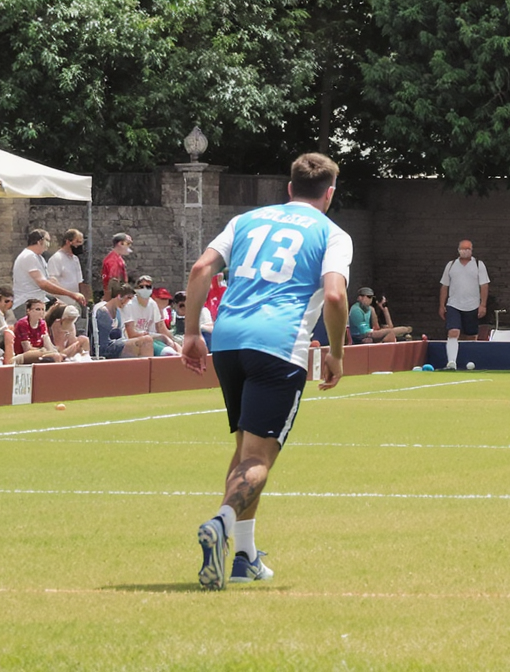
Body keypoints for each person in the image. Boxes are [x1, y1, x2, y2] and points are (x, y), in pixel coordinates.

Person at [181, 152, 351, 591]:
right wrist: (336, 353)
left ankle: (244, 558)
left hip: (228, 340)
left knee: (243, 450)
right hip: (278, 345)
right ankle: (221, 522)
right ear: (329, 193)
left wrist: (191, 334)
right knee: (259, 457)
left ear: (289, 188)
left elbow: (201, 269)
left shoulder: (246, 221)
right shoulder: (333, 234)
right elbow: (334, 297)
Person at [438, 240, 490, 369]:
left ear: (472, 250)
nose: (465, 251)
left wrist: (483, 304)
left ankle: (469, 362)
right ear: (458, 250)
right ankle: (451, 362)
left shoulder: (478, 265)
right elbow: (444, 286)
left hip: (472, 305)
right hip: (453, 304)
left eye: (468, 249)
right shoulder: (451, 265)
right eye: (462, 248)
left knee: (471, 335)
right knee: (453, 331)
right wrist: (442, 304)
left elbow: (484, 285)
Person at [12, 228, 83, 315]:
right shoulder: (29, 256)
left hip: (38, 303)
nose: (48, 244)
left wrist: (65, 299)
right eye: (47, 240)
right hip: (26, 304)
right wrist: (71, 294)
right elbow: (43, 284)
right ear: (39, 241)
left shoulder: (40, 258)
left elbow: (50, 280)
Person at [93, 284, 154, 359]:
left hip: (116, 344)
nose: (128, 302)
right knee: (146, 341)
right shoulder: (103, 312)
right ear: (119, 296)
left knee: (147, 340)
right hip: (106, 349)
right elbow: (103, 343)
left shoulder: (118, 312)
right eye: (128, 298)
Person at [129, 275, 180, 355]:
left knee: (177, 349)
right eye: (141, 287)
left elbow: (160, 327)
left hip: (154, 339)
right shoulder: (130, 305)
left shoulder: (152, 304)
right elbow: (129, 333)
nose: (145, 289)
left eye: (148, 287)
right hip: (139, 341)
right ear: (136, 289)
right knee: (168, 353)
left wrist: (171, 341)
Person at [47, 229, 91, 310]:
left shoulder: (75, 259)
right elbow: (52, 282)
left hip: (74, 303)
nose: (80, 245)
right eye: (77, 242)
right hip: (61, 305)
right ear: (68, 242)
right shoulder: (56, 259)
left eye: (81, 242)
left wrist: (88, 300)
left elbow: (80, 282)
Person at [12, 298, 64, 363]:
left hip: (39, 352)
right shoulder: (23, 323)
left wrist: (53, 352)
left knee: (60, 356)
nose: (41, 312)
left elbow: (47, 343)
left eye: (43, 310)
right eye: (38, 309)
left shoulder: (42, 323)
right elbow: (27, 348)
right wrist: (44, 351)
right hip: (22, 355)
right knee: (54, 356)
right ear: (28, 311)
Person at [101, 233, 133, 301]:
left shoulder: (118, 257)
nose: (130, 246)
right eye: (128, 243)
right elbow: (113, 284)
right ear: (120, 243)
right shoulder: (112, 260)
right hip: (116, 297)